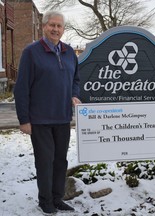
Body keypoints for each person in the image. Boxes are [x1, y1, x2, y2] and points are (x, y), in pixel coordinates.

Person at [14, 11, 81, 215]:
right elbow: (21, 88)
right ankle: (45, 201)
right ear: (44, 27)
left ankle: (57, 198)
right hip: (40, 120)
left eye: (59, 26)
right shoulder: (31, 52)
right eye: (52, 25)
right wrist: (24, 119)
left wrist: (74, 95)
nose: (55, 29)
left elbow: (75, 80)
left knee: (61, 161)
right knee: (45, 162)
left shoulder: (70, 52)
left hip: (62, 118)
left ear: (63, 29)